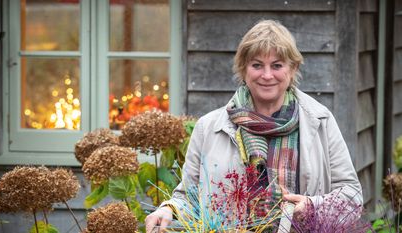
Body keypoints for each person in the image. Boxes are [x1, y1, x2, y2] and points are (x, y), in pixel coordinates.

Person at [145, 19, 362, 232]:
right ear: (244, 69)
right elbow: (188, 197)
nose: (267, 75)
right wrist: (169, 209)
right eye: (257, 65)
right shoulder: (209, 128)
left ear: (293, 69)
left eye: (277, 65)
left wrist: (313, 207)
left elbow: (352, 197)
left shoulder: (320, 122)